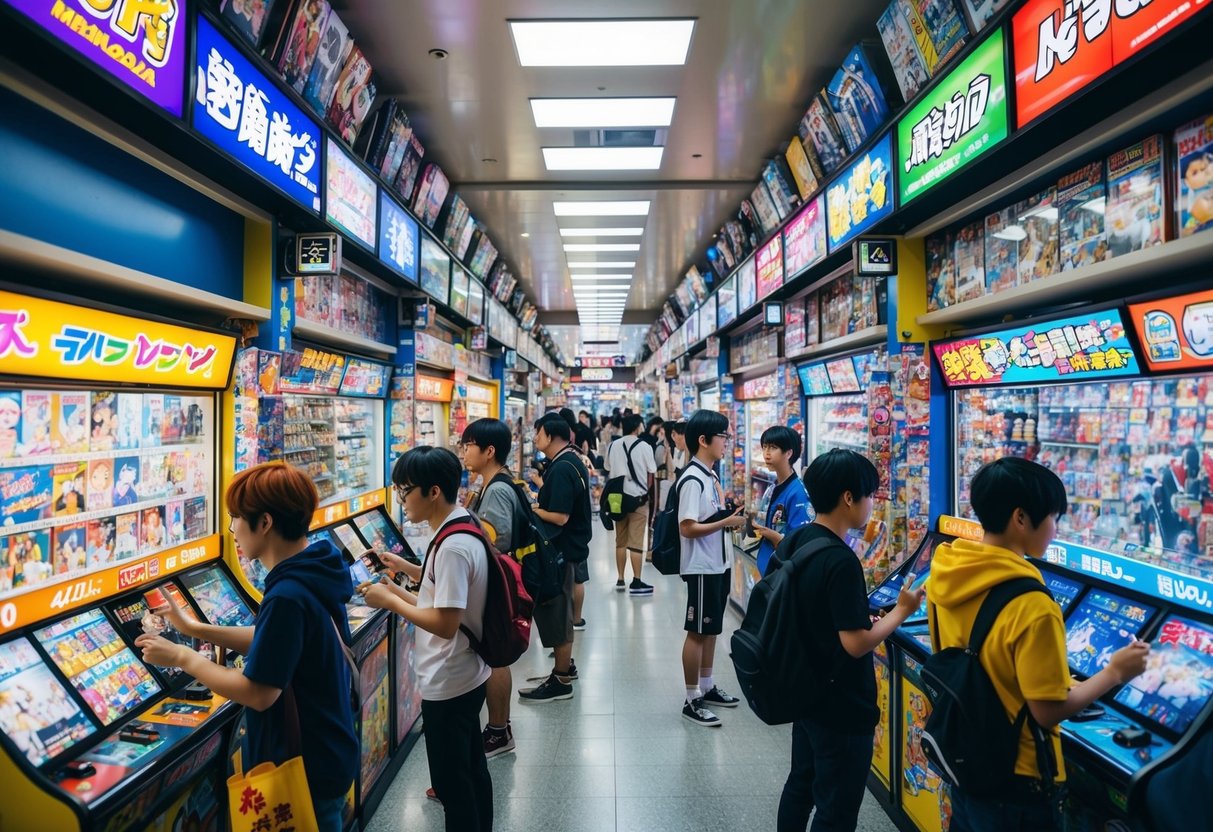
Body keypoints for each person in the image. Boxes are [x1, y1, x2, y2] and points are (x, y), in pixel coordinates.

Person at [928, 458, 1149, 832]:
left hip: (966, 760)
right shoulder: (1033, 605)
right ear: (1020, 518)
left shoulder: (947, 570)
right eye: (1052, 517)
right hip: (1016, 778)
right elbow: (1047, 711)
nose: (1055, 529)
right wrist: (1115, 672)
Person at [135, 463, 357, 832]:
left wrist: (181, 656)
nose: (232, 529)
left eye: (236, 517)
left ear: (265, 522)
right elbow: (276, 639)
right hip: (328, 748)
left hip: (305, 766)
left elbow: (258, 693)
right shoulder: (313, 568)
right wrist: (193, 627)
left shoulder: (287, 593)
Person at [774, 449, 924, 832]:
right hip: (839, 704)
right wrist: (901, 611)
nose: (871, 504)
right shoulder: (841, 560)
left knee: (800, 785)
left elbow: (815, 609)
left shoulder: (799, 538)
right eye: (869, 495)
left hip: (803, 689)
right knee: (836, 808)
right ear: (848, 498)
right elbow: (856, 644)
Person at [360, 447, 493, 831]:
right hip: (466, 673)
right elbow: (440, 594)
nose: (401, 500)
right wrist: (401, 574)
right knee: (472, 772)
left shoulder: (451, 546)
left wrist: (390, 601)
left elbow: (445, 622)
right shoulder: (458, 524)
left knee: (454, 788)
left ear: (433, 491)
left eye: (406, 491)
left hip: (450, 680)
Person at [457, 418, 530, 759]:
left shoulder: (497, 490)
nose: (464, 452)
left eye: (468, 445)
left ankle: (499, 730)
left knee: (496, 658)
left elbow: (493, 544)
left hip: (497, 587)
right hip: (495, 583)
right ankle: (499, 728)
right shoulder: (493, 484)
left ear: (489, 451)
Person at [677, 409, 744, 727]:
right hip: (702, 566)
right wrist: (727, 521)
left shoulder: (711, 475)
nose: (726, 443)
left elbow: (709, 519)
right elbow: (687, 527)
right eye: (723, 437)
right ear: (703, 440)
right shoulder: (692, 479)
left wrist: (727, 519)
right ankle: (692, 699)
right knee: (698, 632)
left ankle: (707, 686)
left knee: (712, 629)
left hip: (718, 564)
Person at [519, 414, 592, 702]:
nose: (535, 439)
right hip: (568, 548)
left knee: (558, 613)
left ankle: (561, 679)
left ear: (550, 435)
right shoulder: (570, 461)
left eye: (538, 434)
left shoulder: (562, 467)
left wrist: (533, 509)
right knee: (558, 611)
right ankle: (565, 668)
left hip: (561, 550)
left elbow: (560, 517)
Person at [607, 414, 656, 595]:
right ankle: (636, 581)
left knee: (620, 540)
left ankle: (620, 579)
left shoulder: (613, 445)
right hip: (638, 498)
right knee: (636, 541)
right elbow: (652, 471)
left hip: (616, 498)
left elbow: (607, 467)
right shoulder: (645, 446)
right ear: (637, 427)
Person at [754, 426, 812, 577]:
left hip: (783, 572)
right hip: (769, 568)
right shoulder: (774, 486)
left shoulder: (798, 493)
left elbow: (800, 543)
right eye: (765, 447)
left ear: (789, 453)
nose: (766, 454)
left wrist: (771, 535)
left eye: (773, 448)